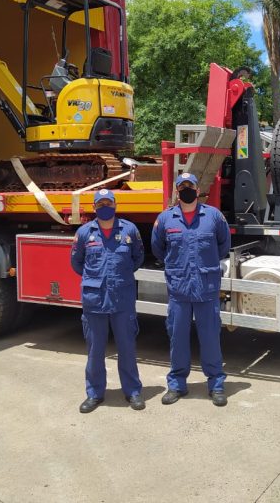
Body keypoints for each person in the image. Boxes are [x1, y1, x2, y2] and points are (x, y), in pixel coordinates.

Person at [151, 172, 231, 407]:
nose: (187, 190)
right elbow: (158, 249)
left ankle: (216, 385)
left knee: (210, 339)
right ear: (177, 191)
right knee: (177, 338)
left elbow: (224, 245)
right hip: (179, 289)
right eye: (182, 186)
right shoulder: (166, 219)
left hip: (206, 289)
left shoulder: (213, 217)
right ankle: (176, 385)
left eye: (191, 186)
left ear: (198, 190)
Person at [70, 189, 145, 413]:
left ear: (115, 205)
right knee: (95, 350)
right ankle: (94, 394)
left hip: (122, 298)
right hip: (95, 300)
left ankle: (132, 392)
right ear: (94, 207)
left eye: (108, 202)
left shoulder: (129, 230)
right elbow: (76, 263)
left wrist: (118, 277)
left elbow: (137, 258)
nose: (105, 206)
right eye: (100, 203)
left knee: (127, 348)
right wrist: (97, 280)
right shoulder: (84, 233)